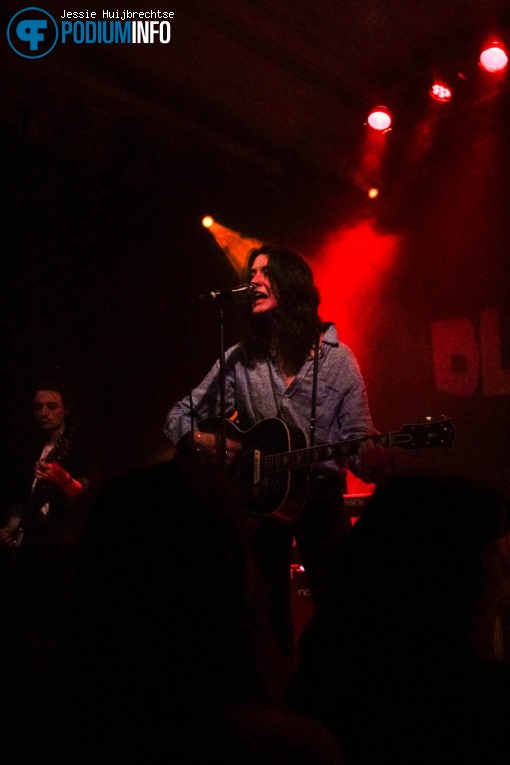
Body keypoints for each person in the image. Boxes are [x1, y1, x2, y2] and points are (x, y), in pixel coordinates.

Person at [164, 243, 391, 696]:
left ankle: (343, 693)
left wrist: (373, 457)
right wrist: (204, 441)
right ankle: (278, 693)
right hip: (259, 499)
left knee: (339, 599)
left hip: (320, 493)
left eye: (264, 271)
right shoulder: (239, 359)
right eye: (250, 272)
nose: (253, 280)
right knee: (265, 610)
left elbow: (358, 443)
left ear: (292, 283)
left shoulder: (338, 360)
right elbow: (177, 416)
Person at [287, 472, 510, 765]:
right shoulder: (480, 705)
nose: (504, 568)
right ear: (454, 571)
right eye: (492, 550)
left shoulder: (318, 682)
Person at [0, 384, 91, 663]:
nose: (44, 412)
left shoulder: (77, 445)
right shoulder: (32, 446)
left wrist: (62, 478)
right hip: (34, 539)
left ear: (66, 410)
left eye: (52, 406)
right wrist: (13, 521)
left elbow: (83, 492)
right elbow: (20, 493)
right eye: (38, 407)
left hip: (62, 540)